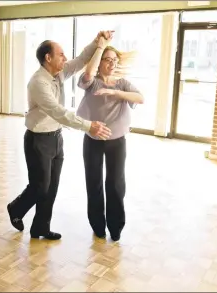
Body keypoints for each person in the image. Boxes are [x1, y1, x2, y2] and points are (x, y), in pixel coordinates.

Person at [6, 31, 113, 241]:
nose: (65, 58)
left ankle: (40, 228)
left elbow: (82, 59)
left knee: (51, 187)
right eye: (61, 55)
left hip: (56, 137)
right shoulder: (38, 82)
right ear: (48, 58)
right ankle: (16, 208)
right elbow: (58, 112)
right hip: (38, 140)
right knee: (40, 186)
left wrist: (97, 41)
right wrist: (88, 126)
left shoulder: (59, 73)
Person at [76, 32, 144, 242]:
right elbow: (87, 74)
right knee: (93, 183)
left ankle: (115, 227)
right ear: (100, 62)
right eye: (108, 60)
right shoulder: (92, 82)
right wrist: (100, 47)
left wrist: (115, 93)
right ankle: (97, 225)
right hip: (93, 141)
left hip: (117, 142)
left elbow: (140, 98)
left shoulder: (122, 83)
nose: (112, 64)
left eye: (114, 60)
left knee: (115, 184)